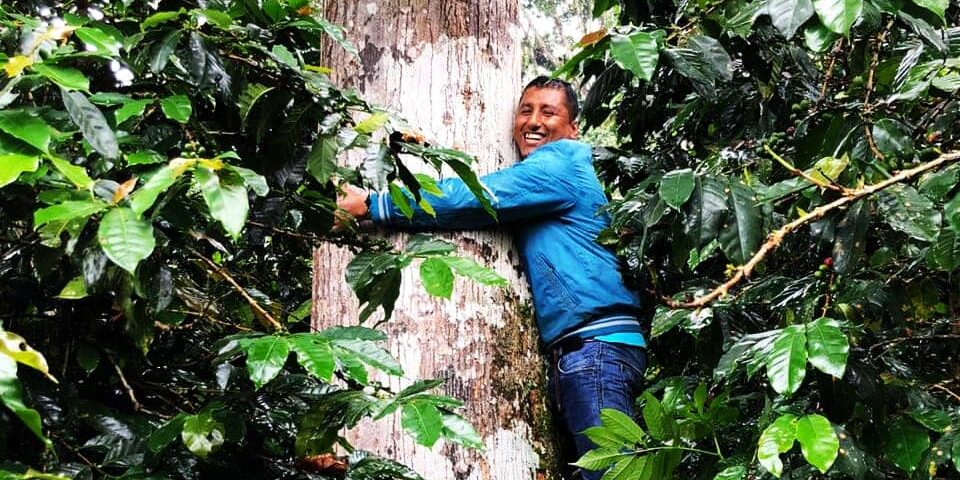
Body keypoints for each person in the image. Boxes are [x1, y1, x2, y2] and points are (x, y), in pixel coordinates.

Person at [337, 76, 647, 479]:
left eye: (548, 112)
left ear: (572, 129)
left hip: (596, 349)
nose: (533, 122)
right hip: (585, 350)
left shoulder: (562, 162)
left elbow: (477, 196)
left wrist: (375, 204)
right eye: (525, 110)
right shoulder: (552, 174)